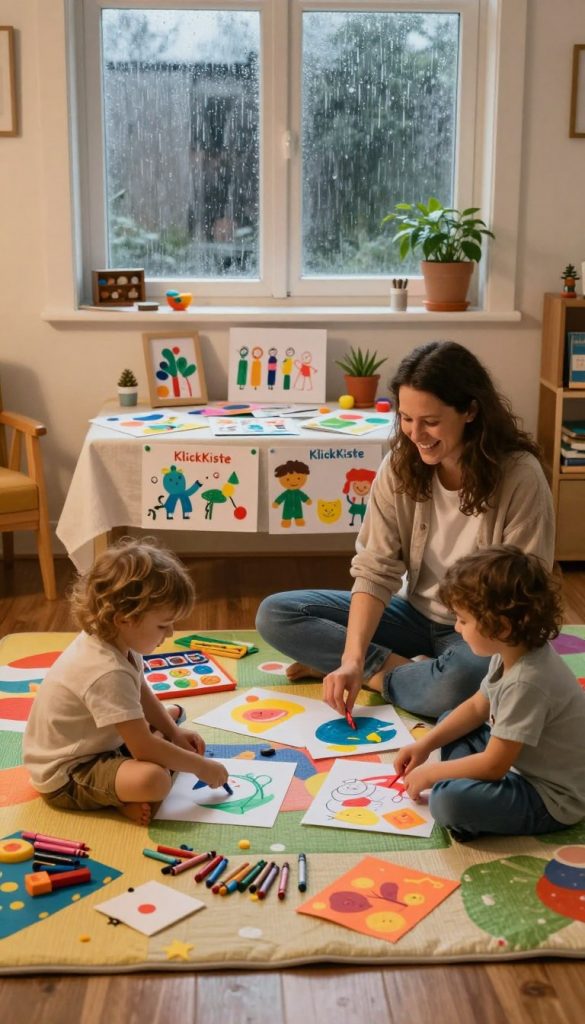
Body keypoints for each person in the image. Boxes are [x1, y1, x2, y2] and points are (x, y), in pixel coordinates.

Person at [255, 340, 555, 719]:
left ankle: (382, 675)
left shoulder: (519, 476)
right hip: (413, 615)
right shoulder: (400, 466)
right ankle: (402, 670)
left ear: (470, 411)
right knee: (276, 614)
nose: (416, 434)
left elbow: (525, 587)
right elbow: (374, 568)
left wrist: (365, 669)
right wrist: (351, 658)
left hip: (482, 630)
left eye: (430, 421)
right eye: (407, 419)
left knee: (459, 685)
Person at [23, 538, 228, 825]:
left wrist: (174, 734)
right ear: (124, 618)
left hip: (99, 743)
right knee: (155, 780)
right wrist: (201, 767)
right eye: (163, 625)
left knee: (170, 720)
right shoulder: (106, 671)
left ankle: (136, 773)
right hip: (69, 772)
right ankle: (119, 799)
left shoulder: (118, 640)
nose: (170, 633)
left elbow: (141, 690)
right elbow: (143, 749)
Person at [393, 546, 585, 840]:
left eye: (463, 620)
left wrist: (433, 774)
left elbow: (495, 766)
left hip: (549, 795)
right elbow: (476, 708)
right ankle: (463, 786)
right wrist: (425, 746)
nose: (457, 628)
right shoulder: (510, 650)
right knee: (449, 719)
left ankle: (466, 800)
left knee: (447, 803)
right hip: (519, 762)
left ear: (502, 627)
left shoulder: (527, 682)